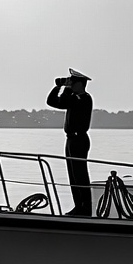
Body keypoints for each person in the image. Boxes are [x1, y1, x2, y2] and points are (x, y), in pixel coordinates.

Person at [47, 69, 93, 216]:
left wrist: (65, 87)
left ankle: (85, 208)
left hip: (80, 139)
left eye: (73, 82)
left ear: (80, 84)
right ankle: (78, 206)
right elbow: (52, 102)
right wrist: (57, 87)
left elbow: (65, 101)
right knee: (73, 175)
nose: (71, 85)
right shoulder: (74, 98)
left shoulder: (84, 99)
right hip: (71, 139)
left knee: (80, 175)